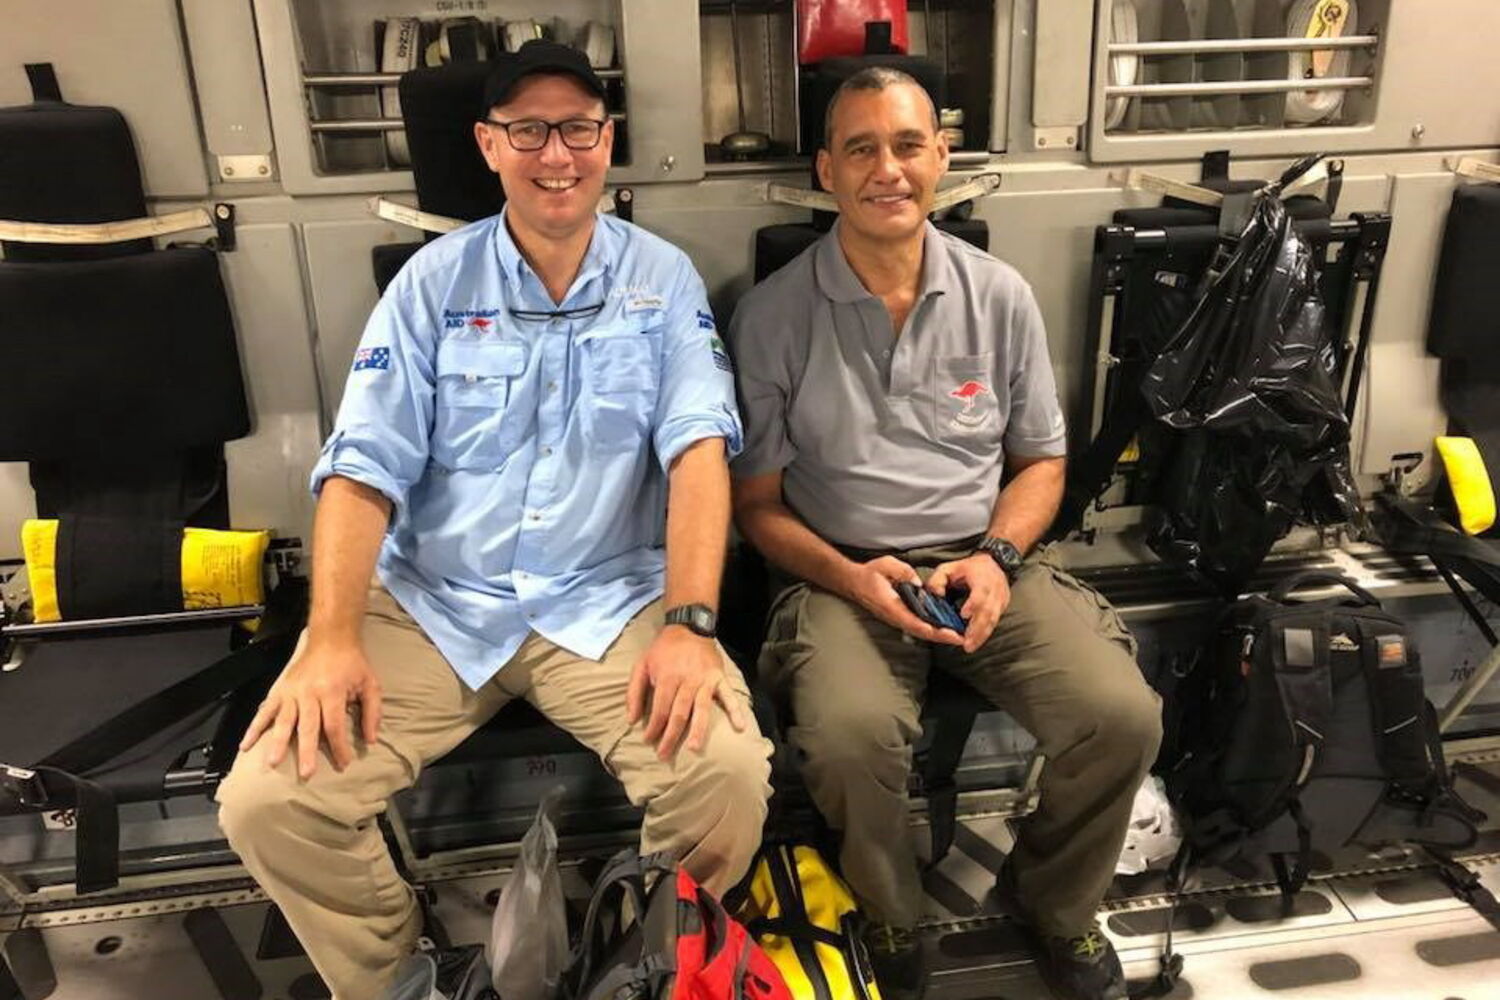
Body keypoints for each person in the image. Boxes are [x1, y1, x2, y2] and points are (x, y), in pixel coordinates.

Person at [216, 41, 773, 999]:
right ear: (488, 145)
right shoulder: (431, 286)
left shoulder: (663, 281)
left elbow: (697, 454)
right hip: (436, 604)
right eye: (529, 131)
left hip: (604, 601)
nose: (556, 154)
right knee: (269, 802)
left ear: (607, 140)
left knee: (722, 774)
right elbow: (361, 467)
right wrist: (330, 637)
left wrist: (689, 624)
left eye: (578, 129)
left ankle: (646, 969)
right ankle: (400, 979)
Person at [728, 67, 1161, 1000]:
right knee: (851, 737)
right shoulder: (771, 316)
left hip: (986, 561)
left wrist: (998, 558)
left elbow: (1041, 464)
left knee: (1121, 716)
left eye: (907, 145)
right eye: (860, 149)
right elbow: (755, 506)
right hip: (840, 572)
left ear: (941, 158)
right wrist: (851, 576)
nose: (887, 169)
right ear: (826, 171)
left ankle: (1057, 907)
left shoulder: (999, 294)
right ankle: (891, 914)